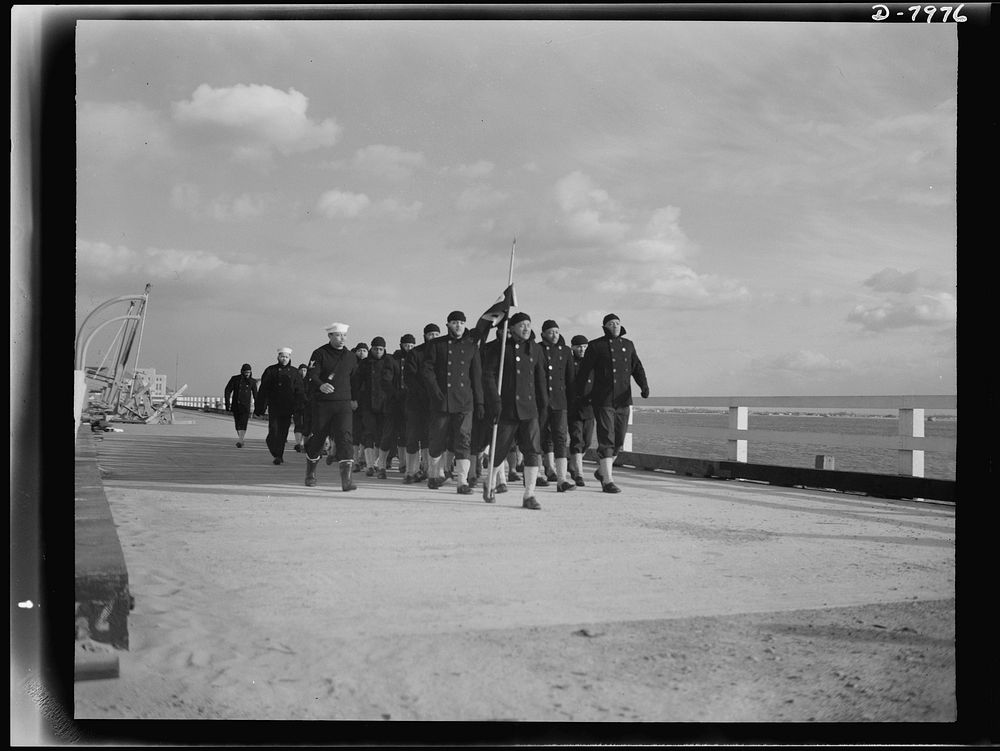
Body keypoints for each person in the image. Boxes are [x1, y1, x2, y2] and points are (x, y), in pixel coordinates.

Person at [572, 313, 649, 493]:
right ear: (605, 326)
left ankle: (601, 471)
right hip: (603, 399)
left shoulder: (628, 345)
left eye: (617, 323)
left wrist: (644, 386)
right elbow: (584, 371)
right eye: (611, 323)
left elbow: (637, 367)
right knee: (607, 437)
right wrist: (579, 393)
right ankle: (608, 480)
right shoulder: (596, 346)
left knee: (619, 439)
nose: (614, 326)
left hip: (623, 399)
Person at [481, 312, 548, 510]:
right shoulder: (501, 349)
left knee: (532, 451)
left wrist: (543, 404)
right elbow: (488, 376)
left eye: (529, 324)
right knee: (499, 451)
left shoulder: (535, 349)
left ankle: (529, 495)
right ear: (511, 329)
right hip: (506, 408)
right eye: (521, 325)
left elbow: (540, 379)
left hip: (529, 410)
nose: (526, 328)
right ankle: (490, 483)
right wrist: (494, 400)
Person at [422, 310, 484, 494]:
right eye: (455, 322)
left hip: (464, 402)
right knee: (437, 440)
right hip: (441, 401)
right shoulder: (436, 344)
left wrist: (479, 403)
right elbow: (427, 371)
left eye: (461, 323)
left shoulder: (472, 346)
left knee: (464, 441)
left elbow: (476, 377)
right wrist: (436, 392)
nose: (458, 326)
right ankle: (433, 475)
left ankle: (462, 482)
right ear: (448, 324)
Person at [303, 322, 361, 491]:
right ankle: (310, 473)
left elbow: (355, 381)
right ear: (330, 336)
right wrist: (320, 385)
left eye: (344, 335)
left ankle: (346, 481)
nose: (342, 338)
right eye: (338, 335)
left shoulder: (350, 357)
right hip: (323, 404)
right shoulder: (319, 353)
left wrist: (355, 399)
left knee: (345, 438)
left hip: (343, 404)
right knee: (318, 439)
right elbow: (312, 375)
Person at [537, 320, 576, 492]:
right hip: (540, 401)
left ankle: (562, 478)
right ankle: (537, 473)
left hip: (560, 401)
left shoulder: (566, 351)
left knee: (560, 438)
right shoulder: (536, 349)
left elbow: (570, 379)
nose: (555, 335)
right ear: (544, 333)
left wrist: (572, 400)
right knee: (537, 438)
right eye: (551, 332)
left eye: (557, 332)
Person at [356, 336, 400, 479]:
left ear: (385, 349)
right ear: (371, 348)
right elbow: (356, 383)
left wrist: (397, 398)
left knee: (384, 437)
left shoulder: (391, 362)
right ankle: (369, 465)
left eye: (381, 349)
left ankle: (381, 465)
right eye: (375, 349)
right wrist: (354, 399)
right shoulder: (364, 364)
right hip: (368, 404)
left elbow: (398, 381)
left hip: (387, 405)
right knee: (368, 434)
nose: (378, 351)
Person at [401, 323, 440, 483]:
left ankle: (430, 470)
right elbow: (409, 377)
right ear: (424, 335)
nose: (434, 338)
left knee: (431, 438)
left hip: (436, 403)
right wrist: (426, 392)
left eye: (437, 334)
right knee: (412, 437)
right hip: (416, 402)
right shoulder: (415, 353)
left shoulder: (442, 352)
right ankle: (411, 471)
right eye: (431, 334)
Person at [255, 347, 306, 465]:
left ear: (290, 358)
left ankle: (279, 455)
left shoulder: (294, 372)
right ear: (278, 357)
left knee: (283, 432)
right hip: (274, 406)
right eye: (282, 356)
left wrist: (301, 405)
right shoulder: (270, 370)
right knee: (273, 431)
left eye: (287, 357)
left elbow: (300, 390)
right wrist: (260, 407)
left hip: (288, 407)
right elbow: (263, 390)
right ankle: (274, 449)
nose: (284, 359)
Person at [568, 335, 595, 486]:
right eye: (579, 346)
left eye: (585, 346)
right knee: (577, 439)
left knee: (587, 441)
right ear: (572, 347)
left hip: (590, 407)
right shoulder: (569, 362)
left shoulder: (592, 363)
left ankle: (572, 463)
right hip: (574, 407)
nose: (582, 349)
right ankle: (579, 473)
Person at [392, 334, 416, 474]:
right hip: (397, 399)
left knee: (412, 431)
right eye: (407, 345)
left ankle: (412, 463)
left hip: (413, 398)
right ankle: (402, 462)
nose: (409, 348)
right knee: (401, 432)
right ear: (401, 344)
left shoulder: (416, 357)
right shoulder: (395, 358)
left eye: (412, 345)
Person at [224, 363, 258, 447]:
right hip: (236, 405)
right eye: (246, 372)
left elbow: (255, 395)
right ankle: (241, 439)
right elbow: (227, 390)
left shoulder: (253, 382)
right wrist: (227, 403)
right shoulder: (235, 379)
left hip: (246, 406)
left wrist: (258, 407)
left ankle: (240, 440)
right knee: (238, 424)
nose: (247, 374)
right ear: (242, 371)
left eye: (249, 372)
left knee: (243, 423)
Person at [350, 342, 370, 470]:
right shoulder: (351, 364)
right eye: (359, 350)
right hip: (354, 402)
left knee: (367, 431)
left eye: (364, 350)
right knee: (356, 432)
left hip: (368, 403)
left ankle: (363, 458)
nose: (362, 352)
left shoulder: (370, 364)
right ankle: (355, 460)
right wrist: (352, 399)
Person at [292, 362, 311, 452]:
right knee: (298, 424)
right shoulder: (295, 380)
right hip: (297, 406)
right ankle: (298, 443)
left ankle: (304, 443)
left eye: (305, 370)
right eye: (301, 370)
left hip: (307, 406)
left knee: (306, 425)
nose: (303, 372)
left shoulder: (310, 382)